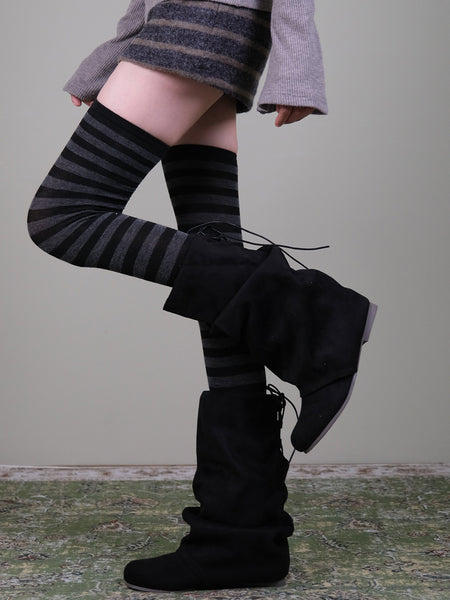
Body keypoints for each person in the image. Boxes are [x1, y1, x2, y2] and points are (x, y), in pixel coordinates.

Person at [27, 0, 376, 592]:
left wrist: (298, 63)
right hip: (190, 25)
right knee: (215, 263)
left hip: (198, 25)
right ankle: (242, 538)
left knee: (62, 217)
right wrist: (117, 53)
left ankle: (313, 315)